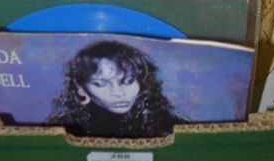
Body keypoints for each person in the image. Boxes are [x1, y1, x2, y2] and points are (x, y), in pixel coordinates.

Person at [47, 39, 185, 137]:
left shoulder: (171, 127)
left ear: (141, 84)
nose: (119, 93)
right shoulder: (60, 130)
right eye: (101, 84)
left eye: (128, 81)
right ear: (81, 89)